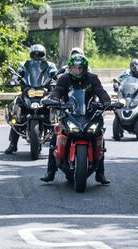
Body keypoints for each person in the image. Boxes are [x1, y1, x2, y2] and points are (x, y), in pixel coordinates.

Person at [40, 54, 111, 184]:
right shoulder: (64, 79)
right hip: (69, 113)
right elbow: (57, 91)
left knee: (99, 135)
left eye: (80, 68)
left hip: (88, 114)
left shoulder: (92, 78)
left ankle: (100, 173)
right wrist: (53, 99)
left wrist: (107, 102)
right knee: (55, 137)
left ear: (85, 68)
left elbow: (101, 91)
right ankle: (50, 172)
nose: (77, 71)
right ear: (70, 68)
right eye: (74, 68)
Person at [5, 44, 57, 154]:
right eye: (35, 54)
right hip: (28, 91)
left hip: (44, 92)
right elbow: (18, 73)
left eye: (39, 54)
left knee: (57, 113)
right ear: (31, 55)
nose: (37, 56)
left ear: (44, 54)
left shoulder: (50, 65)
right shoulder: (24, 65)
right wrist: (14, 78)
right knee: (17, 113)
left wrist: (57, 78)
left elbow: (55, 74)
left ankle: (57, 146)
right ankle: (12, 144)